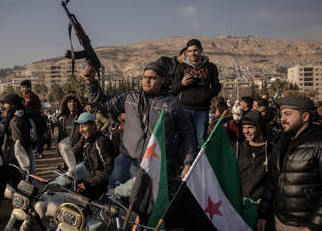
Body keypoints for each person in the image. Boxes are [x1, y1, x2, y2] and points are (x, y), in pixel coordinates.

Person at [84, 60, 196, 193]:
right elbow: (103, 103)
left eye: (152, 78)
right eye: (145, 77)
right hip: (126, 162)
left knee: (148, 207)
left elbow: (187, 133)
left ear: (162, 80)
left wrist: (188, 163)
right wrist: (91, 81)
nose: (147, 81)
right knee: (114, 198)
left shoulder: (172, 104)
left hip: (157, 167)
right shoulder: (131, 98)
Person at [257, 95, 322, 231]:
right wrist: (263, 215)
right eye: (281, 114)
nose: (282, 119)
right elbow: (272, 182)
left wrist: (315, 226)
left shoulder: (318, 144)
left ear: (305, 116)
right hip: (279, 225)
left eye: (288, 114)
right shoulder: (281, 144)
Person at [171, 39, 221, 149]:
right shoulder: (181, 67)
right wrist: (182, 83)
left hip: (202, 110)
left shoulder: (211, 67)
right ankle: (186, 164)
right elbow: (173, 89)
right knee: (185, 139)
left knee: (201, 140)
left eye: (195, 50)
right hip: (185, 110)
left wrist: (206, 95)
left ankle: (199, 165)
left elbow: (217, 86)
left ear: (201, 51)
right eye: (190, 51)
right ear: (187, 53)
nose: (193, 54)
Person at [72, 112, 117, 199]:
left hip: (103, 185)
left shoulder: (101, 143)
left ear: (93, 125)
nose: (80, 130)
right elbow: (74, 151)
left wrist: (88, 184)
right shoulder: (87, 141)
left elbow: (108, 171)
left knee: (78, 198)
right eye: (79, 127)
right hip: (92, 179)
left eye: (84, 126)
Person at [234, 110, 273, 201]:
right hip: (237, 200)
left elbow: (274, 180)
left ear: (259, 127)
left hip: (258, 203)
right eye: (244, 127)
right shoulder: (237, 147)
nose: (246, 131)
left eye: (250, 127)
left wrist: (266, 197)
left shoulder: (271, 150)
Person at [1, 94, 31, 188]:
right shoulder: (19, 117)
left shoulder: (15, 121)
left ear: (12, 105)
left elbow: (18, 143)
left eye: (6, 103)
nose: (4, 106)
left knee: (16, 184)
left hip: (15, 158)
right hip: (15, 157)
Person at [20, 79, 46, 158]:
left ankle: (40, 151)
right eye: (21, 87)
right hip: (33, 116)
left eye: (24, 87)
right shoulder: (26, 95)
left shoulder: (30, 95)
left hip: (35, 117)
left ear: (29, 88)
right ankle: (37, 150)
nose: (22, 89)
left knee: (36, 134)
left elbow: (26, 106)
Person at [57, 93, 84, 162]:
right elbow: (60, 136)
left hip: (80, 155)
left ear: (78, 103)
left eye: (74, 101)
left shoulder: (81, 118)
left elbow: (83, 136)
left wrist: (74, 150)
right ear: (66, 104)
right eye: (69, 102)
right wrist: (60, 149)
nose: (72, 104)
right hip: (66, 155)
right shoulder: (63, 119)